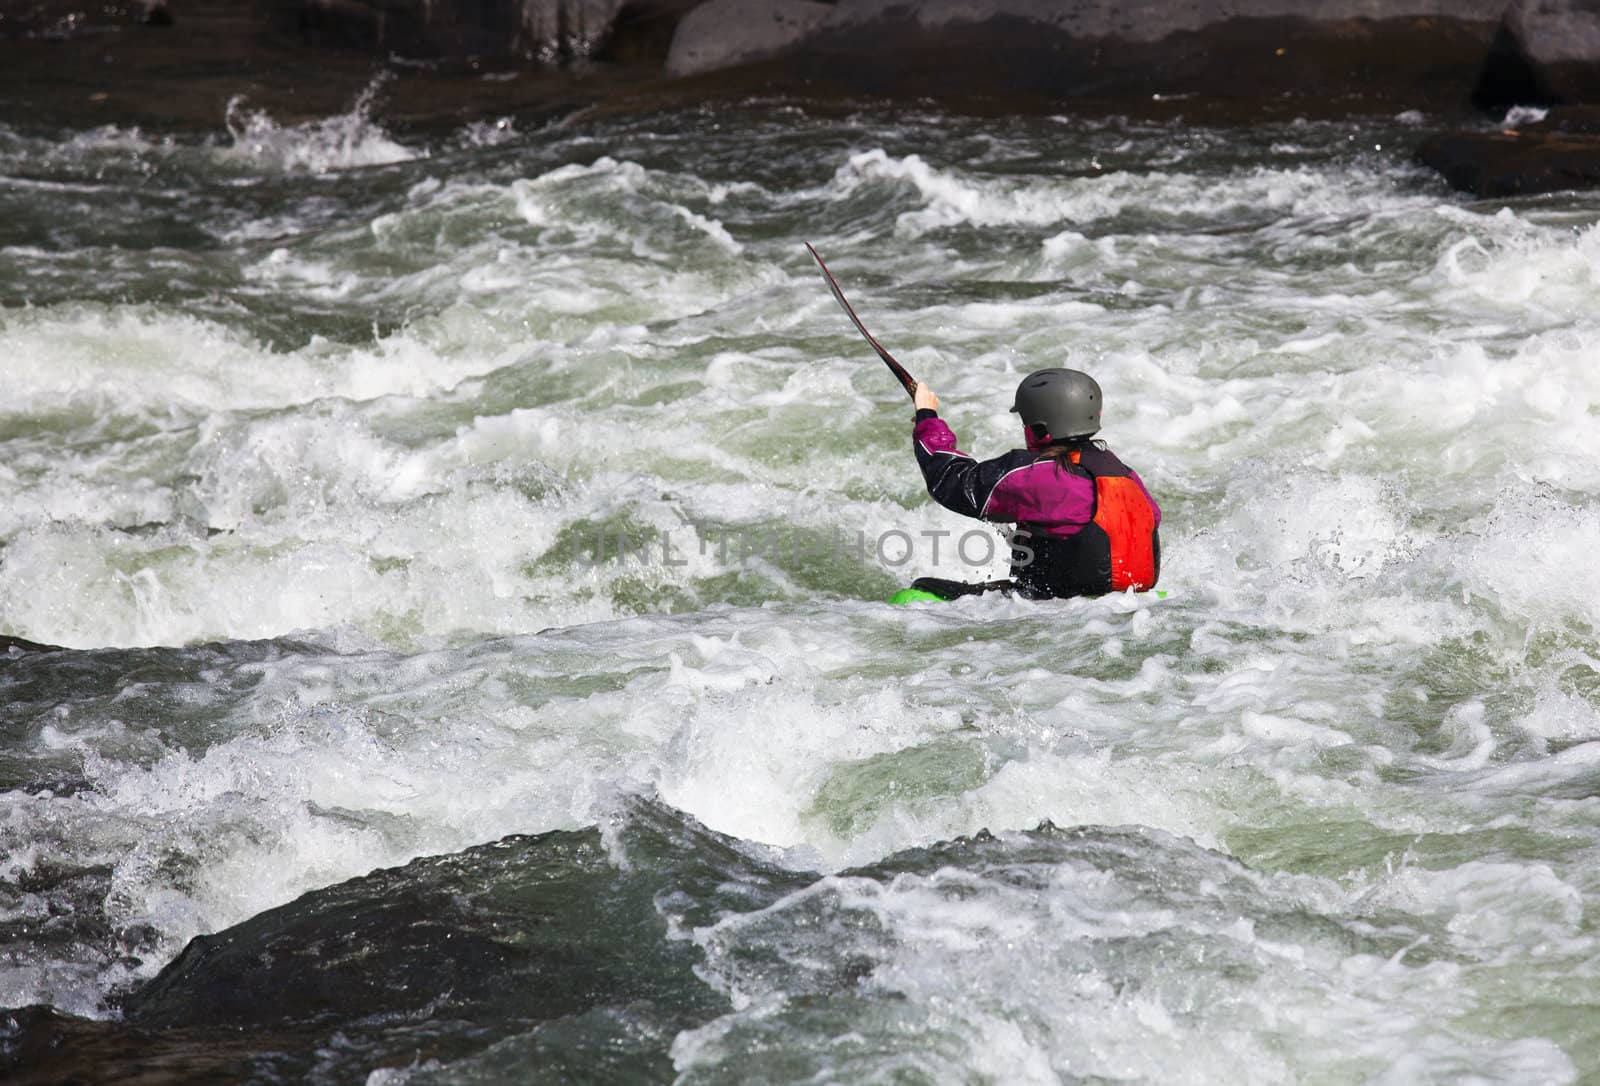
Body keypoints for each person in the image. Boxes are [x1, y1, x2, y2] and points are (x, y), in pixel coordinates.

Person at [908, 368, 1161, 600]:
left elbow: (952, 480)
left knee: (921, 589)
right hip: (1125, 602)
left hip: (1052, 606)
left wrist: (926, 416)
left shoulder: (1038, 475)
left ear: (1040, 430)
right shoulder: (1127, 476)